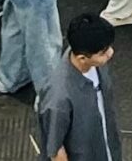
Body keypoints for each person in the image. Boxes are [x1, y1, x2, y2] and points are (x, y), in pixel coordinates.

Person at [40, 14, 126, 161]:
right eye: (103, 52)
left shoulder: (95, 62)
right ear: (82, 58)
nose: (111, 53)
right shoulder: (59, 97)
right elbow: (56, 150)